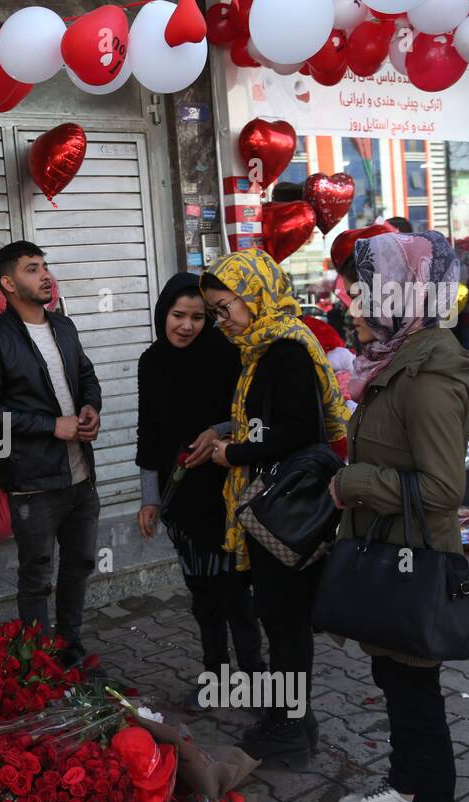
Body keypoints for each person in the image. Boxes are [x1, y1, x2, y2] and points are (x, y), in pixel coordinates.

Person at [328, 231, 469, 802]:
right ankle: (405, 792)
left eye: (362, 298)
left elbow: (445, 488)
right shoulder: (395, 359)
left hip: (415, 560)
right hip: (390, 551)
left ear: (403, 297)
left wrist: (354, 482)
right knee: (392, 679)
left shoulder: (427, 376)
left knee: (419, 702)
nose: (351, 311)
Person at [199, 250, 350, 765]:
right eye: (215, 310)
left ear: (255, 293)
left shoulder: (284, 347)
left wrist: (233, 453)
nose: (221, 320)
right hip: (271, 504)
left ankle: (290, 732)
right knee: (280, 617)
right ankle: (293, 718)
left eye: (225, 308)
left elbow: (300, 432)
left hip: (286, 509)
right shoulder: (260, 345)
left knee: (285, 620)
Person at [0, 241, 102, 668]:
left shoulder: (64, 327)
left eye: (45, 266)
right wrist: (51, 426)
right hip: (33, 481)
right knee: (37, 573)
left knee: (79, 563)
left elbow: (86, 374)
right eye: (31, 269)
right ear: (7, 283)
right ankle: (39, 660)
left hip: (81, 475)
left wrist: (90, 408)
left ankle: (70, 645)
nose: (45, 275)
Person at [136, 273, 264, 709]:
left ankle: (256, 681)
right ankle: (216, 677)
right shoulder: (151, 362)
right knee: (203, 597)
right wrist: (150, 498)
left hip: (229, 497)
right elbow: (148, 434)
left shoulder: (228, 353)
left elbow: (251, 413)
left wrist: (218, 432)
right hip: (183, 503)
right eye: (177, 315)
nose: (186, 326)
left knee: (235, 596)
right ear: (163, 314)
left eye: (197, 316)